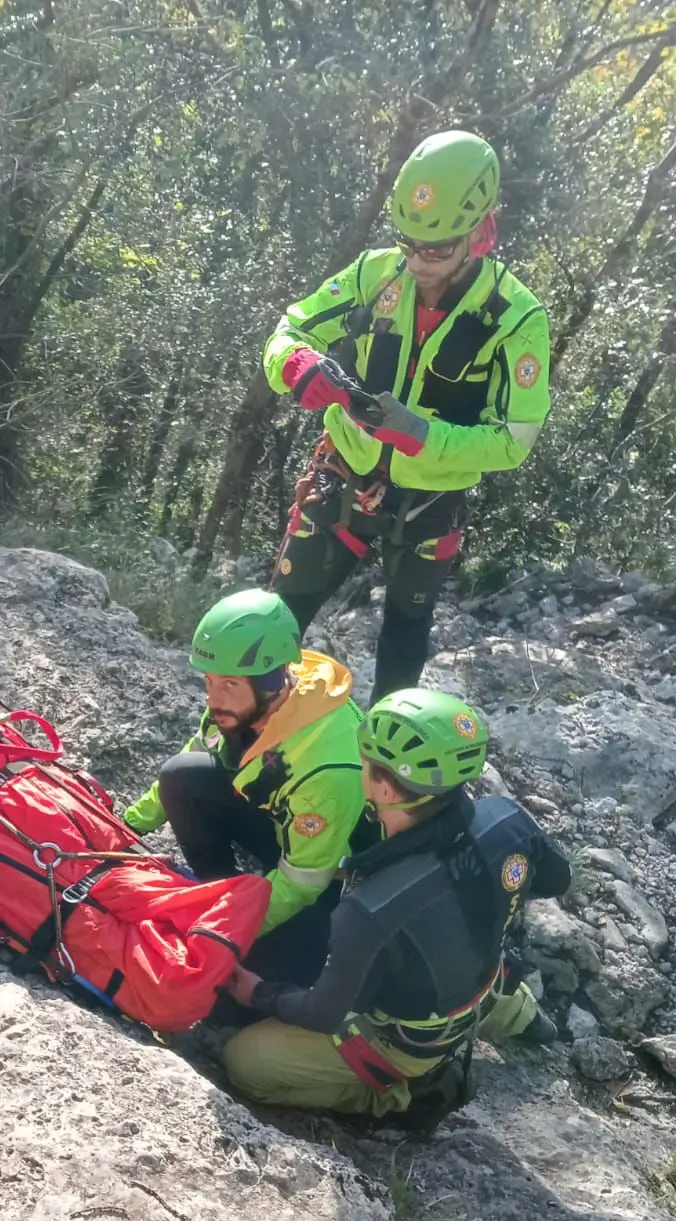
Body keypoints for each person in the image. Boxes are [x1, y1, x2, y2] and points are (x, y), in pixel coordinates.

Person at [264, 130, 551, 703]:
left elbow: (516, 439)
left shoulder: (516, 319)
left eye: (437, 249)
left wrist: (423, 437)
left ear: (482, 232)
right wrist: (296, 364)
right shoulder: (377, 273)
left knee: (403, 642)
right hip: (345, 472)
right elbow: (292, 326)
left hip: (430, 502)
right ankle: (236, 745)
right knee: (276, 623)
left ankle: (385, 773)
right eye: (408, 243)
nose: (418, 261)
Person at [222, 689, 570, 1126]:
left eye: (363, 759)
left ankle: (407, 1095)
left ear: (383, 786)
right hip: (487, 979)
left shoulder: (370, 910)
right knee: (468, 951)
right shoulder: (506, 817)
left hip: (411, 1040)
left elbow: (324, 1012)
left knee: (245, 1063)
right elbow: (558, 879)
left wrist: (255, 990)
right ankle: (524, 1019)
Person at [122, 590, 369, 984]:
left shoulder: (329, 764)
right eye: (208, 681)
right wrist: (126, 828)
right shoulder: (243, 702)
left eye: (228, 685)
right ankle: (218, 888)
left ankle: (232, 914)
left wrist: (222, 930)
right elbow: (201, 751)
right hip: (280, 821)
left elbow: (303, 884)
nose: (212, 699)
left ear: (272, 680)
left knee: (241, 991)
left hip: (328, 873)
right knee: (179, 777)